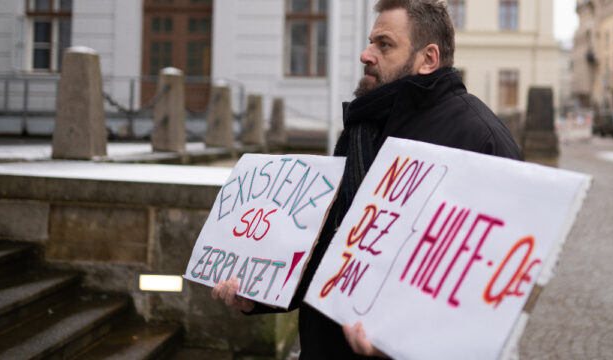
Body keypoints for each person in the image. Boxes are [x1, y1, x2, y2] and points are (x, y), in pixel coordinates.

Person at [212, 0, 522, 358]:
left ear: (428, 59)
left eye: (384, 44)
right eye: (370, 41)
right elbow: (327, 251)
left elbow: (490, 293)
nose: (365, 54)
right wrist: (259, 295)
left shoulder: (481, 140)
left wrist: (399, 345)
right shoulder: (364, 126)